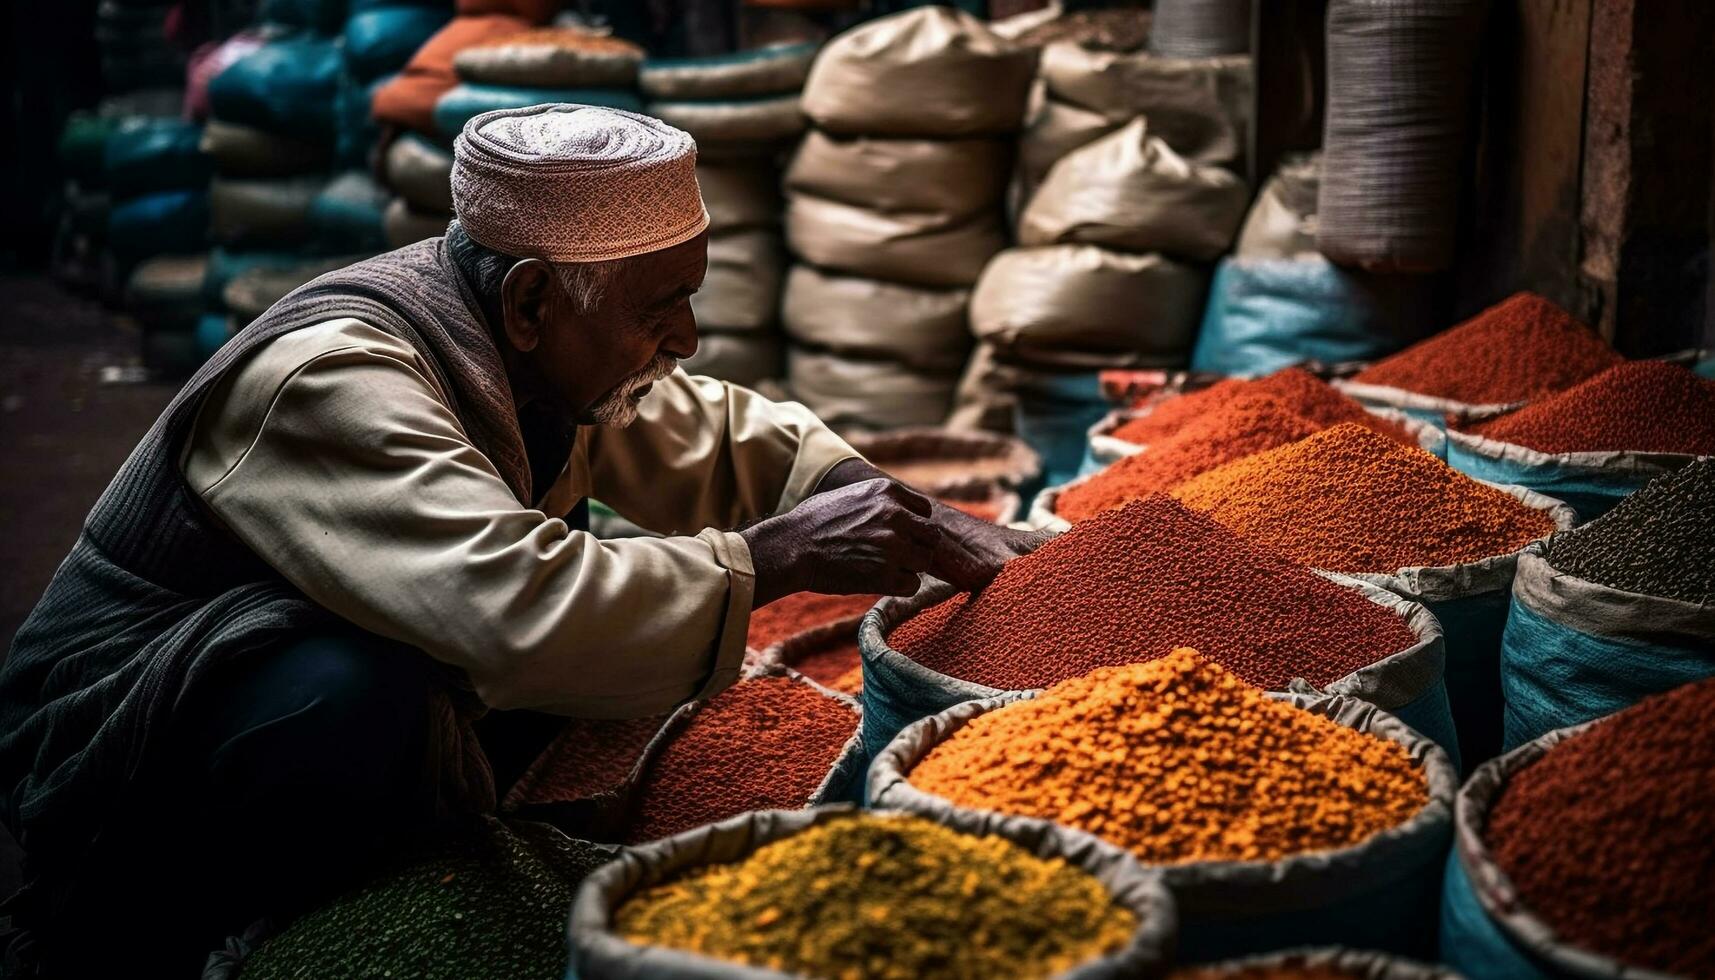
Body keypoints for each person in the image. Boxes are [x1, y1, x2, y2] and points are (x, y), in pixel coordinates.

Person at [0, 105, 1040, 976]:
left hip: (292, 677)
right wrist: (773, 554)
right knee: (355, 692)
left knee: (536, 677)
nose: (684, 335)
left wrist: (904, 506)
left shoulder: (530, 351)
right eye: (662, 304)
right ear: (533, 298)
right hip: (125, 729)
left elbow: (711, 429)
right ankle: (226, 938)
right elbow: (511, 608)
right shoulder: (333, 379)